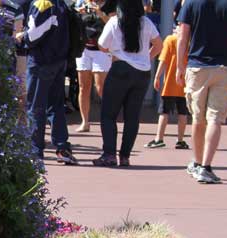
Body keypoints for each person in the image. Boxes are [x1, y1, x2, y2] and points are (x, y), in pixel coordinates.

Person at [176, 0, 227, 184]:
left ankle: (198, 161)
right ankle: (206, 167)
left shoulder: (191, 3)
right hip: (224, 67)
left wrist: (179, 66)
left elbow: (183, 36)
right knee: (215, 118)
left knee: (198, 118)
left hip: (197, 67)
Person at [92, 0, 162, 167]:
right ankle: (125, 156)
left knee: (108, 114)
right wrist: (146, 58)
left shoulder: (115, 21)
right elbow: (159, 44)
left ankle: (109, 154)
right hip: (142, 73)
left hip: (120, 69)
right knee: (132, 116)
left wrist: (114, 51)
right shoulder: (146, 22)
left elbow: (101, 45)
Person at [16, 0, 79, 165]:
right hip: (59, 61)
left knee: (35, 107)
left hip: (41, 61)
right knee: (56, 106)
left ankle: (34, 151)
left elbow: (35, 34)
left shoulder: (42, 4)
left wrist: (23, 37)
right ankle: (62, 147)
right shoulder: (60, 3)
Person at [147, 23, 189, 149]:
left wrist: (157, 76)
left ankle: (159, 138)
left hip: (170, 84)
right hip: (185, 83)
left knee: (164, 112)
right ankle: (180, 140)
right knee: (183, 112)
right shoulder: (190, 41)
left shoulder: (170, 40)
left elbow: (163, 60)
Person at [75, 0, 110, 131]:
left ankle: (108, 120)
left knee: (101, 88)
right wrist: (78, 14)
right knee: (83, 86)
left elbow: (114, 24)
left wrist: (100, 13)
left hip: (101, 50)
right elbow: (73, 22)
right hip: (84, 49)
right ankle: (85, 122)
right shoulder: (80, 3)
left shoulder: (109, 4)